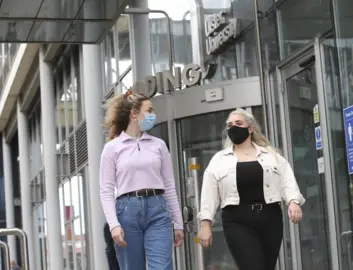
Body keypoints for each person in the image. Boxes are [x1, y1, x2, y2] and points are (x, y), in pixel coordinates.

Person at [197, 108, 305, 270]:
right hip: (237, 221)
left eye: (238, 123)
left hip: (270, 218)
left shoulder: (271, 155)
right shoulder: (219, 160)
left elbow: (286, 179)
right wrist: (205, 224)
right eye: (230, 125)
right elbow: (208, 193)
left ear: (251, 128)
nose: (233, 127)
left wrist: (293, 202)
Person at [99, 90, 184, 270]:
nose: (153, 115)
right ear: (134, 114)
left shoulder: (158, 145)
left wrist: (178, 222)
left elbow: (169, 185)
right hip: (126, 211)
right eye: (150, 110)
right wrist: (114, 225)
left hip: (158, 210)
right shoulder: (112, 148)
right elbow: (106, 191)